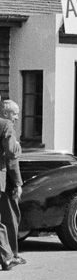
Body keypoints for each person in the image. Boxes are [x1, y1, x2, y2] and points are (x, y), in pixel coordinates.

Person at [0, 100, 24, 269]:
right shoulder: (6, 125)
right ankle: (8, 256)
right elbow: (11, 154)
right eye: (15, 114)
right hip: (4, 178)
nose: (16, 118)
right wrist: (18, 183)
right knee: (8, 218)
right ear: (6, 113)